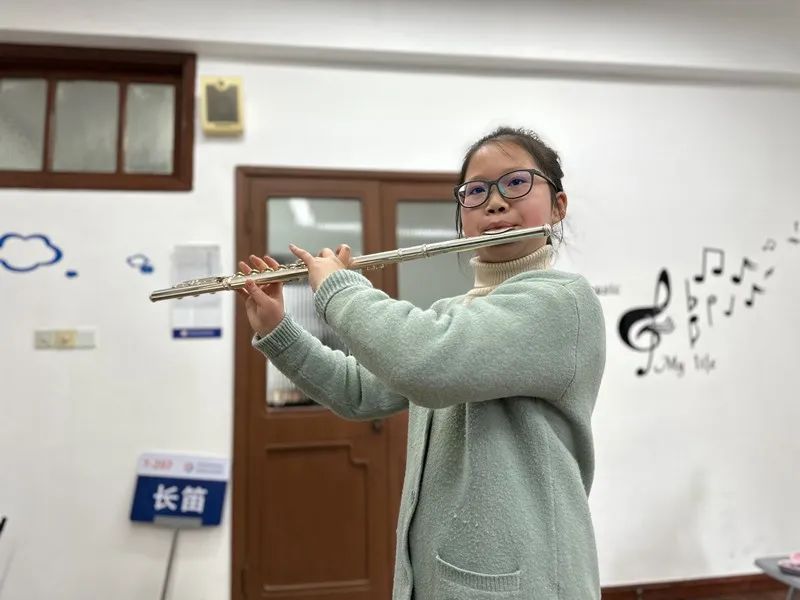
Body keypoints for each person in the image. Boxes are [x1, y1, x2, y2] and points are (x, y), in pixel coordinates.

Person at [237, 126, 606, 600]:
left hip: (528, 584)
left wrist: (338, 289)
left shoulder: (563, 304)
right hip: (441, 579)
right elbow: (359, 391)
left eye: (516, 183)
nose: (495, 203)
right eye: (476, 192)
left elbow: (425, 363)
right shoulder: (455, 313)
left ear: (558, 206)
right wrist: (277, 329)